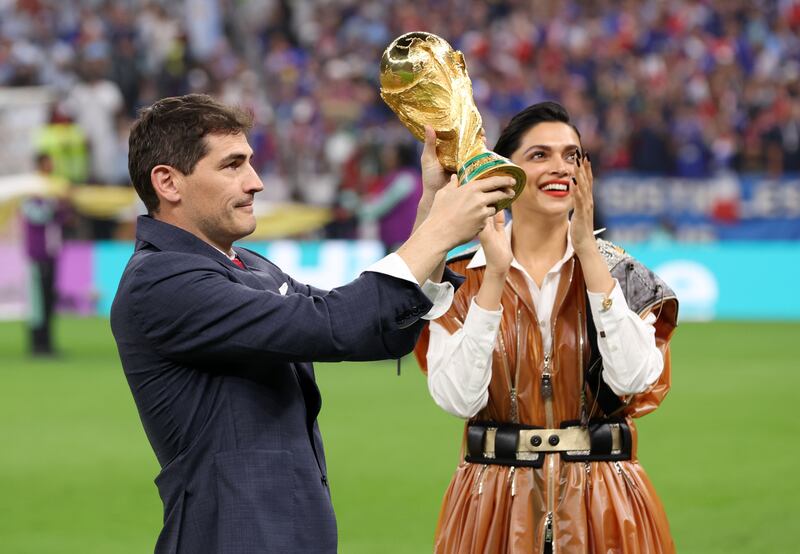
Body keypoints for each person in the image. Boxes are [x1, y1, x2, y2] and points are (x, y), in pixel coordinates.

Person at [109, 93, 515, 554]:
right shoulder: (162, 280)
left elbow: (377, 329)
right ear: (168, 182)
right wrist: (440, 230)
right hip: (229, 537)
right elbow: (335, 324)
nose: (256, 182)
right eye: (232, 165)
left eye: (250, 163)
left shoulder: (249, 266)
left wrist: (431, 213)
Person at [414, 102, 679, 553]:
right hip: (492, 508)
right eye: (540, 155)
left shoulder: (626, 274)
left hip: (608, 509)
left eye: (572, 155)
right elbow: (458, 398)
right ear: (504, 174)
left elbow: (634, 381)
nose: (561, 168)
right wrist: (494, 277)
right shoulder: (459, 279)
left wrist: (591, 258)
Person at [21, 153, 68, 357]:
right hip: (37, 254)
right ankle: (37, 344)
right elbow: (35, 215)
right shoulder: (32, 189)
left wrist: (61, 206)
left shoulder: (51, 189)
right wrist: (55, 204)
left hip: (50, 253)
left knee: (48, 300)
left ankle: (47, 343)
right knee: (38, 302)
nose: (51, 166)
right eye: (48, 163)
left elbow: (62, 216)